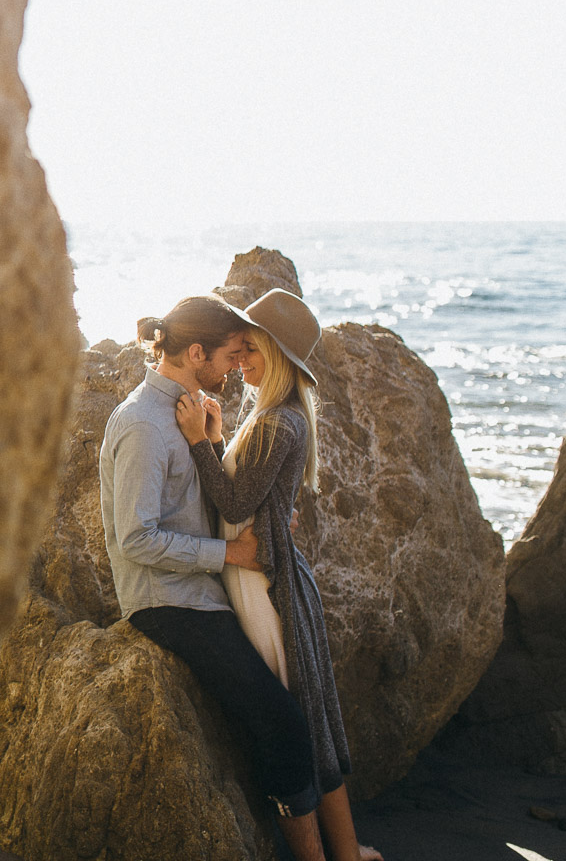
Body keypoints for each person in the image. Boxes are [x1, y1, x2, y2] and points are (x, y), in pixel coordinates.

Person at [99, 295, 327, 861]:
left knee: (298, 696)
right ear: (195, 353)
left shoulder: (189, 411)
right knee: (282, 722)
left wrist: (263, 512)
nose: (234, 367)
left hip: (206, 592)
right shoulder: (144, 426)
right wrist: (230, 554)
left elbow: (215, 495)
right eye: (228, 356)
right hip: (169, 601)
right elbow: (136, 539)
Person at [173, 290, 382, 861]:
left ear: (276, 353)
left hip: (267, 589)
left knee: (300, 721)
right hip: (269, 577)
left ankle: (342, 853)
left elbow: (236, 502)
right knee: (310, 715)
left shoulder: (276, 424)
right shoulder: (276, 417)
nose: (240, 359)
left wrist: (198, 444)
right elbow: (256, 501)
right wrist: (217, 441)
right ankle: (349, 852)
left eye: (250, 349)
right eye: (238, 349)